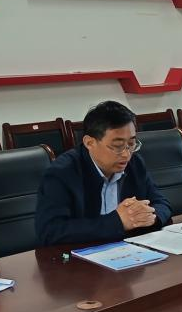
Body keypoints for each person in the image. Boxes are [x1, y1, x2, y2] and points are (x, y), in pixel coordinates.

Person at [35, 100, 172, 246]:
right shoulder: (62, 173)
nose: (126, 154)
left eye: (131, 144)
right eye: (118, 146)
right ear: (89, 143)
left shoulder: (134, 163)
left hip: (129, 250)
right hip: (79, 256)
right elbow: (51, 231)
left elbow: (162, 204)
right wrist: (118, 222)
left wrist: (150, 217)